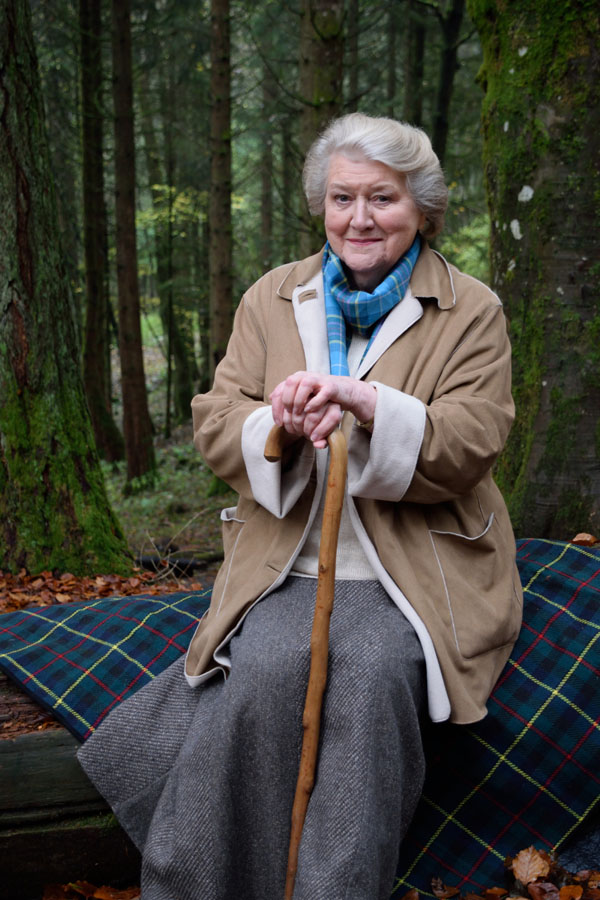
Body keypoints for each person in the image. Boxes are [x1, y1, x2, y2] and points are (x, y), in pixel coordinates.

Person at [78, 113, 523, 899]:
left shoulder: (471, 309)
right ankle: (201, 881)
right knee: (263, 670)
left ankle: (336, 887)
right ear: (321, 205)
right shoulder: (273, 297)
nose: (359, 218)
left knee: (375, 673)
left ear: (421, 207)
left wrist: (369, 403)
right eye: (341, 197)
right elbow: (218, 416)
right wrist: (275, 427)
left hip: (414, 568)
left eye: (381, 198)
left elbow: (472, 439)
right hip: (291, 556)